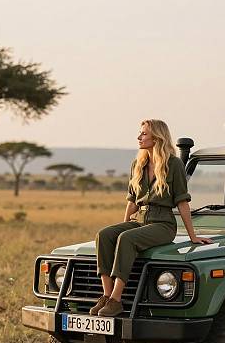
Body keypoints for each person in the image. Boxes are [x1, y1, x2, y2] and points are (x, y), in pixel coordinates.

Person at [90, 119, 213, 317]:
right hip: (139, 218)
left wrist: (193, 236)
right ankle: (105, 296)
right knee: (104, 235)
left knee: (126, 239)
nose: (139, 137)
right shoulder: (137, 164)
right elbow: (132, 201)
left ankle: (116, 299)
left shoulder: (173, 165)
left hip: (162, 223)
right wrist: (126, 223)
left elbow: (182, 202)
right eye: (140, 133)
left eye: (144, 134)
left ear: (157, 137)